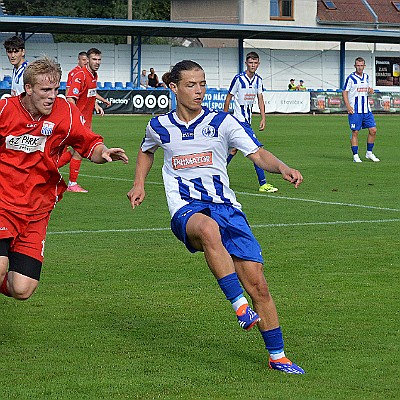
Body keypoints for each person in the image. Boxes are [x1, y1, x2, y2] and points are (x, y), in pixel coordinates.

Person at [127, 60, 305, 374]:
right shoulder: (159, 126)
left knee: (260, 286)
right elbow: (146, 150)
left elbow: (258, 154)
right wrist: (139, 182)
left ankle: (278, 356)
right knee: (207, 229)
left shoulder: (223, 122)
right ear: (174, 87)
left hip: (228, 210)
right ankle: (239, 307)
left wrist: (284, 167)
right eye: (191, 85)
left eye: (203, 84)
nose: (199, 91)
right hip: (187, 210)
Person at [0, 56, 128, 301]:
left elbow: (89, 143)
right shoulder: (5, 110)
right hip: (3, 203)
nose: (52, 95)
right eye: (45, 90)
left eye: (55, 89)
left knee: (22, 289)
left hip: (37, 210)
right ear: (28, 89)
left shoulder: (65, 112)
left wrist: (104, 152)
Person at [223, 51, 278, 193]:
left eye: (255, 63)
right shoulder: (238, 79)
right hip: (239, 120)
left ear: (258, 64)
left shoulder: (258, 80)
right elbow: (229, 96)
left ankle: (215, 175)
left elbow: (260, 99)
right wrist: (224, 115)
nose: (253, 65)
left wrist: (263, 117)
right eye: (250, 62)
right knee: (255, 150)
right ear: (246, 63)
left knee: (233, 150)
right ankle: (263, 183)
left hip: (247, 120)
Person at [64, 48, 112, 192]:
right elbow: (70, 98)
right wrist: (76, 120)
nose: (97, 62)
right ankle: (72, 184)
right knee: (79, 151)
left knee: (73, 151)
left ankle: (48, 170)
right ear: (87, 60)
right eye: (94, 59)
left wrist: (97, 104)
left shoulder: (93, 75)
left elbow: (90, 93)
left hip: (87, 121)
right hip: (80, 122)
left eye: (99, 60)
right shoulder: (80, 75)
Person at [343, 57, 380, 163]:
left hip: (366, 109)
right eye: (357, 65)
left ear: (364, 66)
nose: (359, 67)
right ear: (355, 66)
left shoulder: (366, 77)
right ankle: (355, 156)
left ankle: (369, 153)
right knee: (355, 132)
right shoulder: (351, 78)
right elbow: (345, 91)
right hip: (355, 110)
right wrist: (348, 106)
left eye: (361, 65)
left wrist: (370, 90)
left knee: (373, 130)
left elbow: (366, 89)